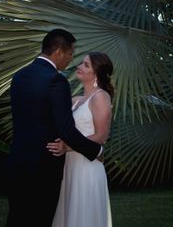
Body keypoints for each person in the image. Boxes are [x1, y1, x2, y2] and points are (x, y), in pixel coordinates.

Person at [6, 29, 102, 227]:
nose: (71, 59)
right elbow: (66, 129)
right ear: (58, 51)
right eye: (70, 53)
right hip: (43, 169)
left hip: (17, 163)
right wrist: (96, 150)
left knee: (17, 218)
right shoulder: (55, 80)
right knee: (40, 220)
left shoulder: (19, 76)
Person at [48, 52, 114, 227]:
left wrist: (66, 147)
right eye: (81, 63)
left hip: (87, 167)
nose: (79, 66)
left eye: (86, 65)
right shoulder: (76, 101)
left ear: (97, 73)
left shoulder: (101, 97)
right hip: (69, 166)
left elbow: (101, 136)